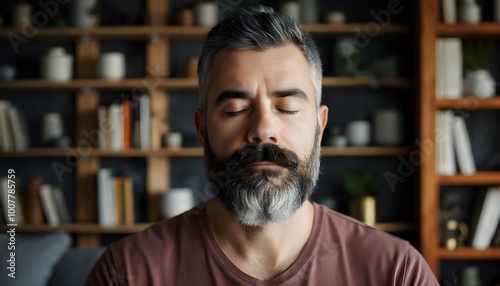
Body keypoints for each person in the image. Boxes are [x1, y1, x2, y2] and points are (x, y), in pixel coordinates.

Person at [85, 6, 439, 285]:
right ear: (202, 129)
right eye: (236, 109)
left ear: (320, 126)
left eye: (287, 108)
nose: (263, 129)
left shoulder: (397, 273)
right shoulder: (126, 273)